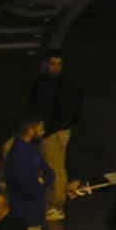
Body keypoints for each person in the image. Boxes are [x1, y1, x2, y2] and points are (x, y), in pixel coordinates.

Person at [27, 52, 83, 221]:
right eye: (52, 63)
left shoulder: (65, 85)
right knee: (45, 167)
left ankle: (56, 206)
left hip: (55, 132)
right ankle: (47, 203)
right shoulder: (42, 82)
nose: (56, 67)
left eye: (59, 64)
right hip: (43, 130)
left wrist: (47, 130)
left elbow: (67, 113)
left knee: (55, 168)